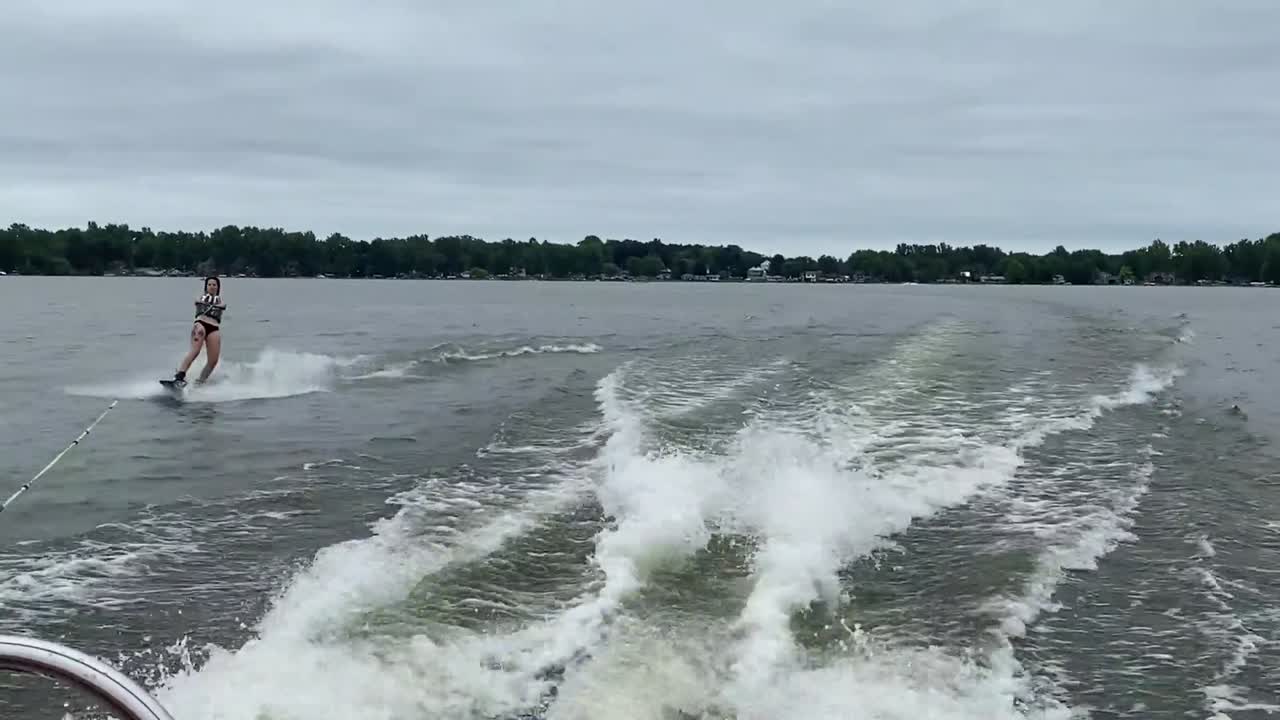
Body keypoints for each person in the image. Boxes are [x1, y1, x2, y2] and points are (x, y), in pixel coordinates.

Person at [171, 276, 226, 387]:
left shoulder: (220, 301)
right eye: (209, 284)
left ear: (218, 287)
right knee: (195, 351)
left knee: (213, 361)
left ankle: (200, 382)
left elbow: (223, 306)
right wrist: (204, 303)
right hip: (201, 324)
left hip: (214, 327)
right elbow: (196, 301)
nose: (212, 287)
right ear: (206, 287)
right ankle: (179, 376)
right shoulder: (202, 297)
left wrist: (218, 305)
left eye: (214, 285)